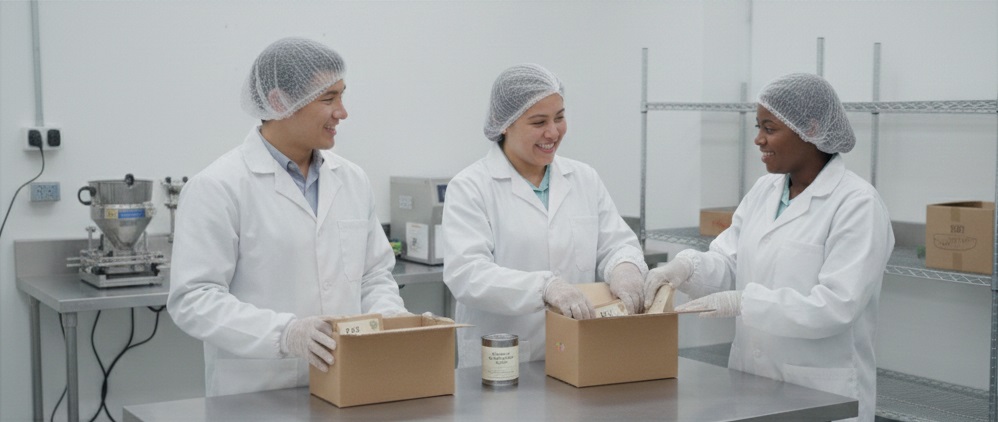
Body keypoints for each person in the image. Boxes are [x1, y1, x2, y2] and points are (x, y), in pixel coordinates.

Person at [167, 37, 409, 397]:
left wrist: (391, 318)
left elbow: (373, 274)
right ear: (280, 101)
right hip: (257, 392)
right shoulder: (219, 186)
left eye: (342, 95)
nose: (342, 112)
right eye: (328, 99)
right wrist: (284, 334)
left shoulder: (352, 179)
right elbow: (194, 299)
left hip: (346, 386)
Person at [644, 73, 894, 422]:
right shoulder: (764, 191)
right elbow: (727, 261)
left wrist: (744, 302)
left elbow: (836, 306)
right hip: (751, 384)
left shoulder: (857, 205)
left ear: (810, 129)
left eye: (769, 128)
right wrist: (684, 269)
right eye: (758, 127)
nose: (759, 140)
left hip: (821, 392)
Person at [442, 63, 648, 368]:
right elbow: (467, 275)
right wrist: (544, 288)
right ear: (505, 125)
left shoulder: (583, 179)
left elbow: (616, 243)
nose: (553, 132)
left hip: (577, 355)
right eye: (538, 122)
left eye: (560, 117)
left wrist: (626, 267)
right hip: (504, 358)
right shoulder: (471, 187)